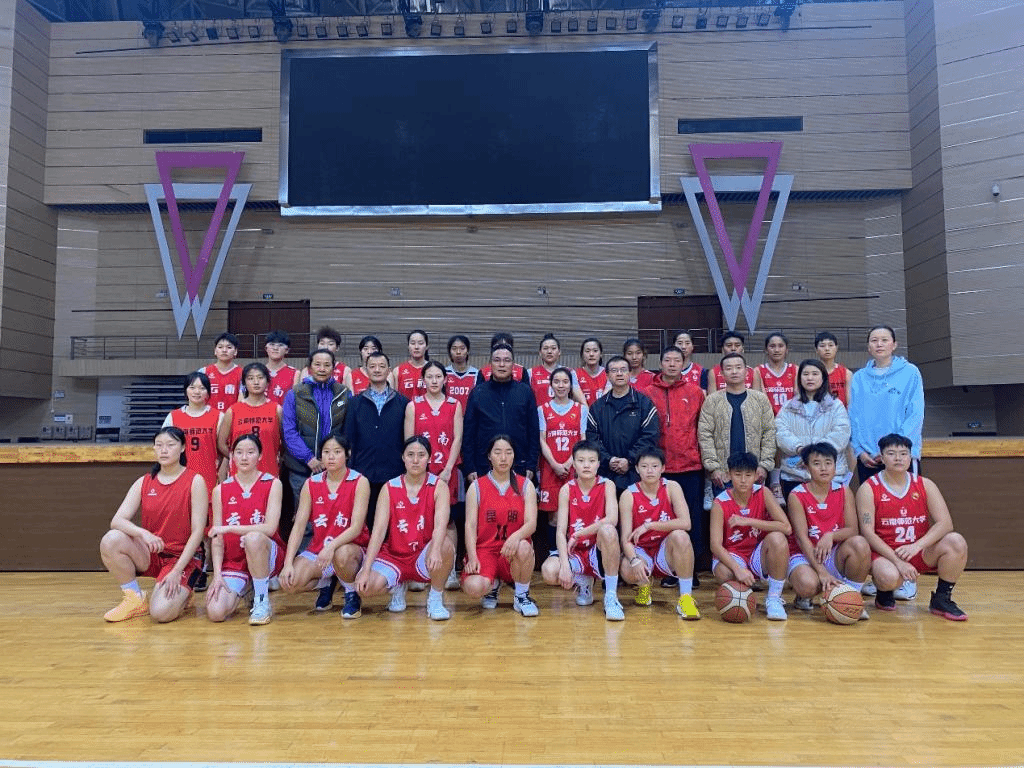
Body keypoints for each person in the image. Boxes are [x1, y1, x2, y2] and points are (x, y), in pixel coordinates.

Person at [98, 426, 207, 622]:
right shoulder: (145, 481)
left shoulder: (195, 481)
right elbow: (117, 520)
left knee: (160, 613)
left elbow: (198, 532)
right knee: (111, 540)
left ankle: (185, 592)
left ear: (183, 448)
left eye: (170, 445)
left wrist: (176, 571)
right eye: (159, 445)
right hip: (153, 553)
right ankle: (135, 599)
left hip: (182, 558)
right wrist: (144, 534)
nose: (164, 450)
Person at [856, 433, 968, 620]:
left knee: (956, 542)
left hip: (917, 550)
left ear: (910, 457)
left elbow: (945, 523)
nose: (898, 458)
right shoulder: (868, 488)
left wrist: (917, 546)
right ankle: (884, 592)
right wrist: (898, 561)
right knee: (889, 577)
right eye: (891, 453)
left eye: (903, 453)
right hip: (885, 553)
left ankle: (942, 598)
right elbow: (867, 533)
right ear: (882, 457)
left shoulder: (925, 484)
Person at [355, 436, 455, 621]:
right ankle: (397, 586)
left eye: (421, 455)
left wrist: (435, 550)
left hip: (422, 556)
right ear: (403, 457)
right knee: (365, 588)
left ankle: (435, 599)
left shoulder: (438, 486)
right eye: (410, 455)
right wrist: (366, 569)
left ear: (429, 458)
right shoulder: (389, 487)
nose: (415, 460)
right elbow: (378, 531)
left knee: (445, 545)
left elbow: (441, 525)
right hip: (394, 556)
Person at [278, 433, 370, 619]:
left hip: (350, 548)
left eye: (337, 452)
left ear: (347, 454)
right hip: (320, 550)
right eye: (326, 452)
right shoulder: (311, 483)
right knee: (290, 582)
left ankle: (351, 593)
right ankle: (327, 582)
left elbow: (356, 527)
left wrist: (331, 547)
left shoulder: (360, 481)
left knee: (342, 554)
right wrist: (287, 563)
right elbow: (299, 526)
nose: (331, 456)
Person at [205, 434, 285, 625]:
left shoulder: (273, 483)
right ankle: (248, 587)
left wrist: (229, 529)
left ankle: (261, 600)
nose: (244, 457)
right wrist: (217, 575)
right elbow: (217, 536)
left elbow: (270, 528)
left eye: (250, 452)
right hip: (234, 560)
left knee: (253, 538)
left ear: (260, 455)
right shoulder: (220, 490)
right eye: (239, 452)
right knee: (216, 613)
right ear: (232, 456)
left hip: (267, 554)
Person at [541, 440, 625, 621]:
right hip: (576, 552)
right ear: (573, 463)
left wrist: (580, 533)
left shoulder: (607, 485)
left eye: (591, 461)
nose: (586, 465)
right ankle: (583, 583)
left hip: (598, 551)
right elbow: (560, 531)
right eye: (581, 460)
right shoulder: (566, 489)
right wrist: (565, 565)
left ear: (599, 463)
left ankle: (611, 597)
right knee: (549, 571)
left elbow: (612, 519)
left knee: (609, 531)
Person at [785, 442, 870, 616]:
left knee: (860, 544)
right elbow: (801, 539)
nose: (823, 468)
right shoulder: (796, 495)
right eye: (816, 463)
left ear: (835, 466)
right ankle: (804, 596)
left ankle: (851, 597)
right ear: (806, 467)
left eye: (828, 463)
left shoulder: (844, 491)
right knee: (808, 585)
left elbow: (852, 530)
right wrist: (821, 571)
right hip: (805, 554)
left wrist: (830, 535)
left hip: (833, 553)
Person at [643, 346, 706, 580]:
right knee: (666, 520)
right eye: (667, 360)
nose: (672, 364)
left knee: (692, 519)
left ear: (683, 363)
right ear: (660, 363)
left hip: (690, 466)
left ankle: (691, 570)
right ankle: (670, 568)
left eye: (676, 360)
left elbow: (702, 428)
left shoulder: (696, 392)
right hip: (661, 468)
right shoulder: (647, 392)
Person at [709, 451, 792, 621]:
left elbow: (786, 527)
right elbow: (715, 545)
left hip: (757, 552)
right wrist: (737, 569)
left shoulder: (763, 492)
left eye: (748, 475)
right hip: (733, 553)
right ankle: (743, 594)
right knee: (723, 572)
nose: (743, 480)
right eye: (738, 474)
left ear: (756, 476)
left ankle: (774, 598)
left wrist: (748, 521)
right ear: (728, 475)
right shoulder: (720, 502)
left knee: (778, 539)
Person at [461, 435, 539, 616]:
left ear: (514, 455)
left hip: (512, 551)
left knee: (523, 546)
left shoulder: (525, 485)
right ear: (489, 456)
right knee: (473, 587)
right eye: (497, 452)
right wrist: (472, 556)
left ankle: (521, 596)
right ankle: (492, 585)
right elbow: (470, 526)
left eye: (508, 452)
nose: (503, 458)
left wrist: (516, 537)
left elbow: (531, 523)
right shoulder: (477, 487)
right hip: (486, 550)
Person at [618, 448, 701, 619]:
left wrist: (650, 526)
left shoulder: (672, 487)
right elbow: (625, 539)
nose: (649, 470)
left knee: (681, 536)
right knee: (626, 569)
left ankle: (685, 598)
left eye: (654, 466)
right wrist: (634, 560)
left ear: (663, 468)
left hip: (665, 549)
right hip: (642, 550)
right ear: (637, 469)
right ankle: (643, 586)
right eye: (644, 466)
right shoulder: (628, 494)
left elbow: (686, 523)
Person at [405, 360, 463, 589]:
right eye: (429, 377)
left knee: (447, 520)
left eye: (438, 376)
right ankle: (419, 570)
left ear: (445, 379)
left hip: (447, 472)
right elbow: (409, 442)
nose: (434, 381)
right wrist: (417, 469)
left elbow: (457, 439)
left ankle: (450, 570)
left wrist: (448, 468)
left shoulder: (454, 405)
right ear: (423, 380)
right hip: (421, 473)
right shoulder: (413, 406)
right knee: (421, 519)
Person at [849, 325, 925, 483]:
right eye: (874, 340)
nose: (879, 344)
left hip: (900, 455)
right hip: (869, 458)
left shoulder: (910, 372)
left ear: (894, 345)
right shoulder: (859, 378)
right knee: (870, 498)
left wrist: (893, 450)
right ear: (868, 347)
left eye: (884, 340)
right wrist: (859, 451)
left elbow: (915, 414)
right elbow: (853, 417)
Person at [345, 351, 409, 528]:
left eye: (382, 366)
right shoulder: (354, 403)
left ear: (389, 370)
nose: (377, 370)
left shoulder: (403, 402)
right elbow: (349, 439)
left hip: (394, 471)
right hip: (363, 471)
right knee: (366, 521)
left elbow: (407, 440)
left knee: (393, 521)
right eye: (372, 366)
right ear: (366, 370)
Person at [697, 353, 777, 495]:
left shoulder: (760, 400)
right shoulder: (712, 401)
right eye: (729, 368)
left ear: (746, 372)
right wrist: (713, 468)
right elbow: (704, 434)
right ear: (722, 373)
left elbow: (769, 432)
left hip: (754, 473)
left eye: (738, 367)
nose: (734, 372)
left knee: (755, 508)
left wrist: (764, 465)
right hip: (723, 475)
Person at [282, 348, 351, 510]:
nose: (322, 369)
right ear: (309, 367)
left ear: (333, 368)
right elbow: (289, 431)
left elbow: (348, 430)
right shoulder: (295, 394)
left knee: (333, 514)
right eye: (317, 364)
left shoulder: (343, 393)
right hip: (302, 468)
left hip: (335, 468)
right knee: (304, 515)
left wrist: (335, 458)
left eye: (327, 365)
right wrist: (309, 458)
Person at [774, 359, 852, 499]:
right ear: (799, 378)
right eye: (805, 374)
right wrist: (800, 449)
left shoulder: (836, 406)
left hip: (830, 476)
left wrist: (816, 453)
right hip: (795, 475)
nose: (810, 378)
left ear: (823, 378)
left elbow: (841, 433)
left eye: (815, 374)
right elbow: (781, 432)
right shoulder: (788, 407)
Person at [462, 343, 540, 482]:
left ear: (513, 365)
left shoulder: (525, 392)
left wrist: (531, 464)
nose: (502, 364)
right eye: (497, 360)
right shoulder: (478, 393)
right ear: (490, 364)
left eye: (507, 360)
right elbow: (468, 434)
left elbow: (533, 431)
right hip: (483, 467)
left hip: (519, 465)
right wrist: (469, 467)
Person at [585, 356, 660, 495]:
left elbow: (650, 437)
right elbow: (592, 438)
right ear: (607, 375)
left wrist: (629, 460)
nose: (619, 374)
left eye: (623, 370)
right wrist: (609, 460)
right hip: (605, 474)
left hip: (637, 474)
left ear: (630, 373)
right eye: (614, 370)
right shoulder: (597, 407)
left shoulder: (644, 404)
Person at [538, 366, 588, 552]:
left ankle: (573, 554)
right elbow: (542, 440)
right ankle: (555, 553)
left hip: (573, 468)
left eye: (565, 382)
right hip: (550, 468)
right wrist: (554, 464)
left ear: (571, 385)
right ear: (551, 385)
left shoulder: (581, 409)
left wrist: (568, 463)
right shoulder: (542, 409)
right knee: (553, 516)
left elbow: (582, 440)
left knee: (574, 513)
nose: (561, 385)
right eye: (557, 382)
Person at [163, 371, 222, 501]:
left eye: (202, 388)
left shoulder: (218, 417)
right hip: (179, 476)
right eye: (192, 387)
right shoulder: (173, 417)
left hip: (209, 476)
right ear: (186, 390)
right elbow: (164, 447)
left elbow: (223, 450)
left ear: (208, 392)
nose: (197, 392)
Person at [219, 362, 283, 478]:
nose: (256, 382)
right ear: (244, 382)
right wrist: (236, 457)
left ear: (268, 381)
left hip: (269, 471)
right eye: (250, 378)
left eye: (260, 378)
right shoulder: (233, 410)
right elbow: (221, 443)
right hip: (239, 473)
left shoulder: (276, 409)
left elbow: (284, 443)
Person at [294, 326, 353, 391]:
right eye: (322, 343)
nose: (325, 347)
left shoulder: (345, 370)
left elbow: (346, 393)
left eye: (330, 344)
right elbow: (301, 392)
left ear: (337, 348)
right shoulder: (307, 370)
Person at [756, 332, 797, 415]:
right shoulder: (758, 371)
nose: (777, 350)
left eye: (781, 346)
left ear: (787, 350)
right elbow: (757, 400)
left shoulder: (795, 369)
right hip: (768, 419)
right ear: (766, 350)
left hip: (791, 419)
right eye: (772, 346)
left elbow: (798, 398)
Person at [201, 332, 242, 414]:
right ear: (215, 351)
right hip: (208, 417)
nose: (224, 350)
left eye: (229, 347)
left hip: (233, 417)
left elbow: (242, 400)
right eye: (220, 347)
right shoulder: (203, 372)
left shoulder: (242, 373)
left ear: (235, 352)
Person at [814, 331, 853, 407]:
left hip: (840, 413)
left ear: (836, 348)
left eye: (831, 345)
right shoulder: (811, 373)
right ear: (816, 350)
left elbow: (850, 402)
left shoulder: (846, 373)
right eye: (822, 346)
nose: (827, 349)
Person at [530, 333, 567, 406]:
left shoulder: (569, 372)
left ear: (559, 352)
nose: (549, 352)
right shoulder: (530, 373)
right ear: (540, 352)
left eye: (553, 348)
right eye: (545, 348)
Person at [391, 329, 429, 400]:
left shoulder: (434, 370)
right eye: (413, 343)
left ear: (426, 346)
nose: (416, 347)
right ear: (408, 346)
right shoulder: (398, 371)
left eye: (420, 343)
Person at [444, 334, 478, 411]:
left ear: (468, 351)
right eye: (454, 349)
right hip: (448, 415)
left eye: (462, 348)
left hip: (469, 416)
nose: (458, 352)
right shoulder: (444, 373)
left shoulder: (476, 374)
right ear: (449, 352)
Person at [264, 330, 298, 406]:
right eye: (272, 344)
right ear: (266, 348)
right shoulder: (258, 371)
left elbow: (295, 401)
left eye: (280, 345)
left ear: (287, 350)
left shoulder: (295, 373)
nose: (275, 348)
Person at [576, 337, 610, 406]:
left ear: (601, 354)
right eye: (587, 351)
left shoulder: (609, 373)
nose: (591, 354)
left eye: (595, 351)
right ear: (582, 355)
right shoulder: (575, 374)